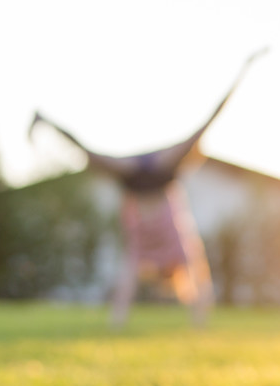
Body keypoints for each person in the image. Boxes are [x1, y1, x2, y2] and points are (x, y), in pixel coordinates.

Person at [30, 48, 266, 326]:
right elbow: (196, 275)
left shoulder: (156, 247)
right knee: (203, 128)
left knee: (89, 152)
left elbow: (137, 275)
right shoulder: (179, 246)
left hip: (139, 181)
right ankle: (152, 321)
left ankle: (43, 119)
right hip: (156, 176)